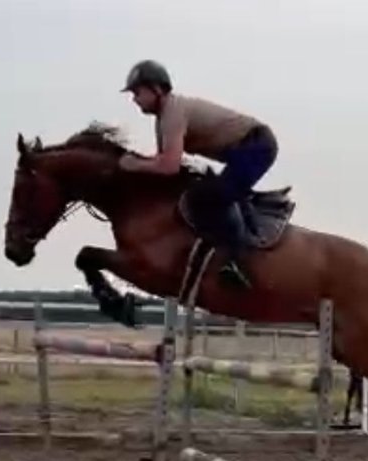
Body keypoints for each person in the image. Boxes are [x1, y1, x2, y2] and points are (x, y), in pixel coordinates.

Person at [119, 59, 278, 290]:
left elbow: (169, 166)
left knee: (210, 197)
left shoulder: (172, 113)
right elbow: (163, 164)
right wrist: (139, 164)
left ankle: (238, 263)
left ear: (156, 89)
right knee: (207, 192)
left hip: (258, 145)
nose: (134, 98)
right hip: (241, 151)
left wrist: (133, 165)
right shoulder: (164, 118)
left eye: (137, 92)